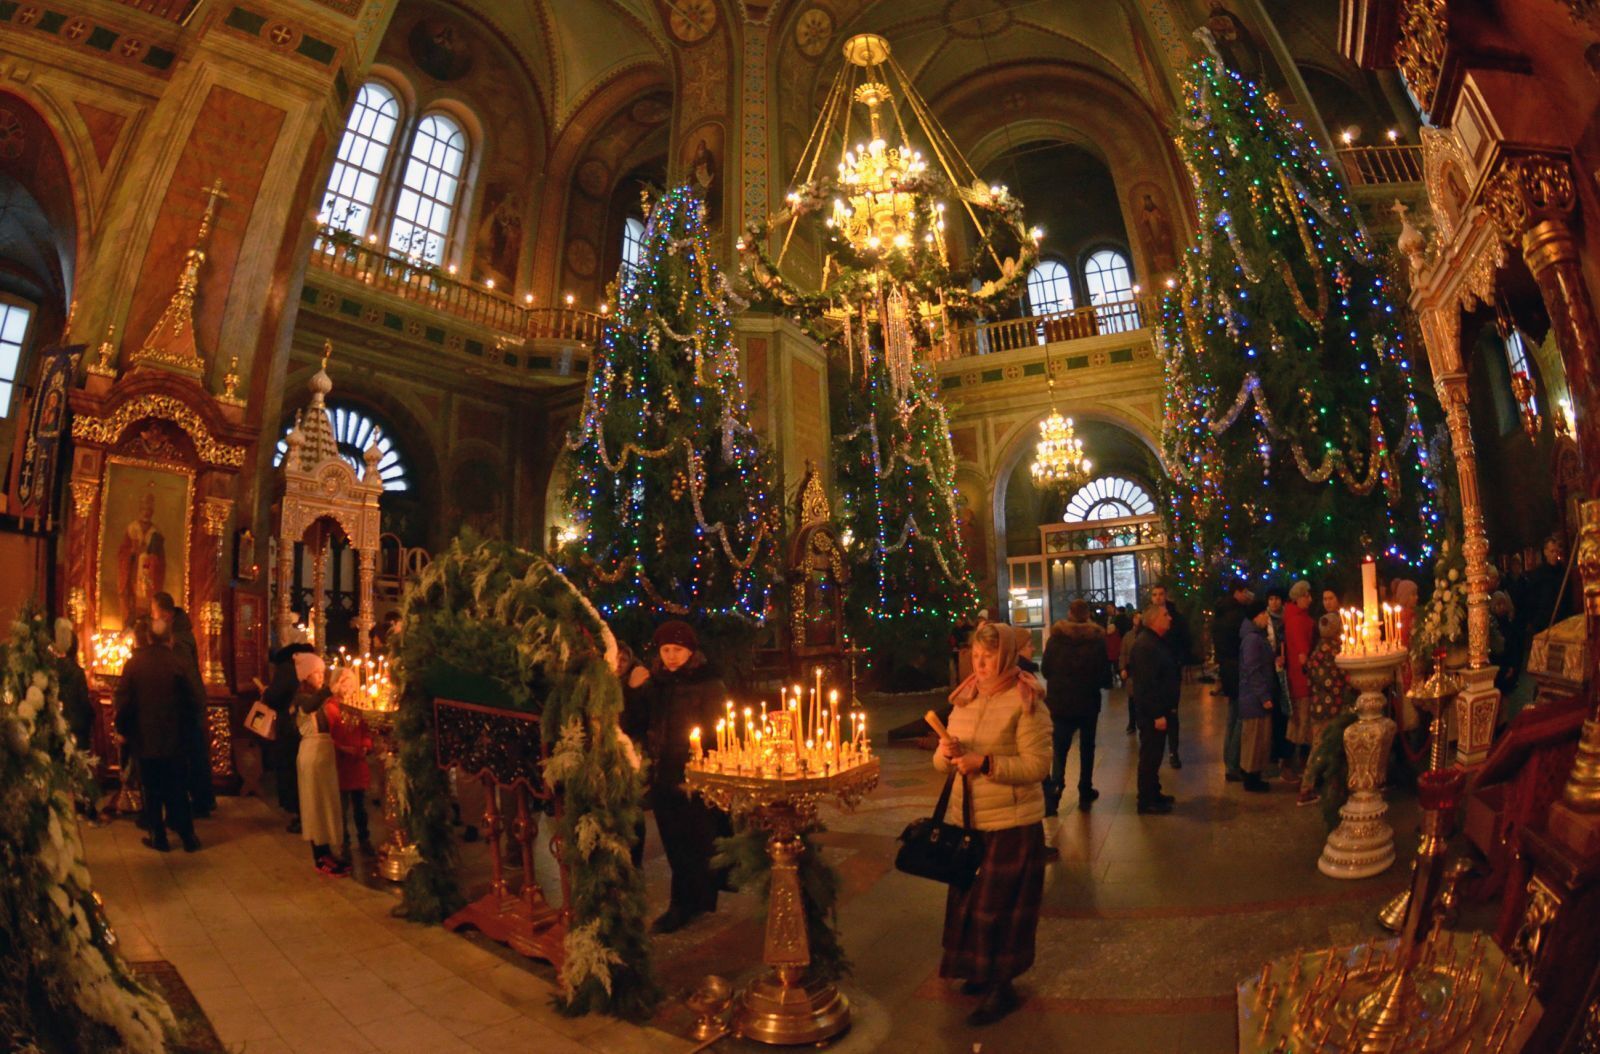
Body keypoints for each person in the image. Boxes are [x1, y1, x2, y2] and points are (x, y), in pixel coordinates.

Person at [936, 622, 1051, 1026]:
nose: (980, 664)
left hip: (1011, 823)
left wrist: (985, 763)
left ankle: (1003, 985)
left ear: (1004, 656)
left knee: (998, 909)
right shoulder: (965, 698)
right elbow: (941, 762)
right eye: (975, 656)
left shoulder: (1027, 701)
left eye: (988, 657)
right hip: (967, 820)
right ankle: (979, 972)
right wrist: (947, 752)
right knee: (969, 903)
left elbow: (1038, 765)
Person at [635, 620, 730, 933]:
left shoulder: (709, 684)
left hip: (695, 775)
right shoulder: (657, 683)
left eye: (677, 650)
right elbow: (637, 720)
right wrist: (634, 690)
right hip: (664, 775)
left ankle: (687, 903)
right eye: (666, 650)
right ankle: (689, 901)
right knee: (674, 844)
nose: (671, 656)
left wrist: (710, 770)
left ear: (690, 651)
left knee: (698, 841)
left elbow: (721, 732)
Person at [114, 617, 202, 853]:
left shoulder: (134, 664)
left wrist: (122, 730)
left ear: (149, 638)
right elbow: (193, 700)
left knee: (151, 790)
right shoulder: (179, 663)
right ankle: (188, 837)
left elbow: (124, 702)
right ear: (170, 639)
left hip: (145, 740)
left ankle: (158, 837)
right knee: (177, 788)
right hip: (176, 740)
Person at [1040, 600, 1110, 815]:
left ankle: (1055, 793)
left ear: (1069, 614)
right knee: (1087, 748)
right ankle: (1085, 788)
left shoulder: (1056, 639)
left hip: (1060, 703)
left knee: (1060, 750)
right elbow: (1105, 677)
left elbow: (1045, 669)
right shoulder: (1096, 641)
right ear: (1087, 615)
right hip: (1087, 703)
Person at [152, 591, 215, 819]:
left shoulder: (179, 640)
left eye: (155, 614)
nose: (154, 618)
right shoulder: (179, 633)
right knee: (193, 752)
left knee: (192, 753)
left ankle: (201, 801)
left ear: (166, 615)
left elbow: (182, 672)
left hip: (188, 703)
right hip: (189, 700)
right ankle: (201, 799)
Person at [292, 652, 348, 877]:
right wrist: (329, 690)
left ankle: (330, 851)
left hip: (324, 754)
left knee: (326, 803)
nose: (320, 677)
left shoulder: (320, 697)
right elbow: (310, 706)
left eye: (322, 673)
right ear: (305, 676)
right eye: (316, 673)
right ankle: (320, 856)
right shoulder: (301, 698)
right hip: (312, 755)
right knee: (315, 804)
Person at [1126, 605, 1180, 814]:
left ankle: (1154, 792)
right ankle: (1146, 800)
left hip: (1160, 709)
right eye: (1165, 615)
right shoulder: (1146, 646)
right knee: (1150, 755)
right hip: (1152, 713)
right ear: (1154, 621)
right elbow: (1146, 685)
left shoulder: (1155, 642)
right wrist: (1157, 714)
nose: (1169, 618)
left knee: (1155, 754)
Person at [263, 626, 316, 833]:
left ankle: (299, 814)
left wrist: (267, 694)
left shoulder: (287, 666)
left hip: (290, 725)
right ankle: (306, 814)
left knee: (291, 769)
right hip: (310, 725)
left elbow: (275, 696)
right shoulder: (312, 662)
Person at [1298, 614, 1352, 805]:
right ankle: (1310, 787)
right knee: (1327, 747)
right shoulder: (1336, 651)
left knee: (1319, 746)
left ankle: (1311, 785)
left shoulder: (1317, 651)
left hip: (1317, 708)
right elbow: (1344, 679)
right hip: (1334, 708)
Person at [328, 667, 374, 855]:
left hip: (357, 763)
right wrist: (341, 748)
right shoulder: (330, 707)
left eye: (350, 681)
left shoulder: (358, 704)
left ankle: (364, 839)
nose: (347, 685)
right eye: (344, 680)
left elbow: (366, 730)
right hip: (341, 764)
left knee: (361, 807)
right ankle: (343, 841)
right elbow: (328, 736)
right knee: (342, 807)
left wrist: (365, 745)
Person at [1212, 580, 1253, 782]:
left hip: (1226, 669)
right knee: (1240, 718)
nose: (1248, 595)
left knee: (1231, 715)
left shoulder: (1220, 611)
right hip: (1237, 669)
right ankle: (1233, 764)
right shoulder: (1237, 615)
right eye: (1245, 592)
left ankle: (1228, 760)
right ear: (1237, 593)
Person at [1236, 599, 1275, 793]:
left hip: (1255, 697)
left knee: (1258, 738)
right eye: (1264, 613)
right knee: (1254, 739)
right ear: (1256, 616)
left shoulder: (1255, 636)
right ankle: (1251, 778)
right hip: (1254, 699)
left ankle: (1254, 775)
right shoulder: (1252, 639)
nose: (1267, 617)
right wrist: (1264, 696)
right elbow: (1253, 670)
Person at [1149, 584, 1189, 768]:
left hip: (1171, 671)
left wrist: (1178, 661)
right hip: (1155, 672)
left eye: (1161, 594)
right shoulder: (1148, 618)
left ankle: (1174, 750)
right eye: (1155, 595)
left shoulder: (1175, 618)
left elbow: (1184, 641)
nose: (1158, 597)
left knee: (1172, 713)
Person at [1283, 581, 1316, 773]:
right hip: (1302, 679)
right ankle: (1300, 764)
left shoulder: (1295, 617)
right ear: (1299, 597)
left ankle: (1293, 762)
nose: (1310, 600)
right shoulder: (1297, 620)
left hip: (1298, 677)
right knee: (1303, 721)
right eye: (1307, 596)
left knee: (1299, 720)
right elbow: (1303, 653)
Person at [1264, 587, 1293, 777]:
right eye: (1271, 599)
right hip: (1271, 670)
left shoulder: (1286, 619)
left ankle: (1285, 754)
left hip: (1285, 669)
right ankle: (1275, 753)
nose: (1274, 602)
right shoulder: (1264, 621)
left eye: (1277, 599)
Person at [1118, 609, 1144, 733]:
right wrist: (1122, 668)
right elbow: (1123, 653)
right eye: (1136, 618)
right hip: (1132, 670)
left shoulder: (1145, 635)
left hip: (1143, 671)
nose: (1138, 620)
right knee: (1132, 698)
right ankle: (1132, 722)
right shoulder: (1128, 636)